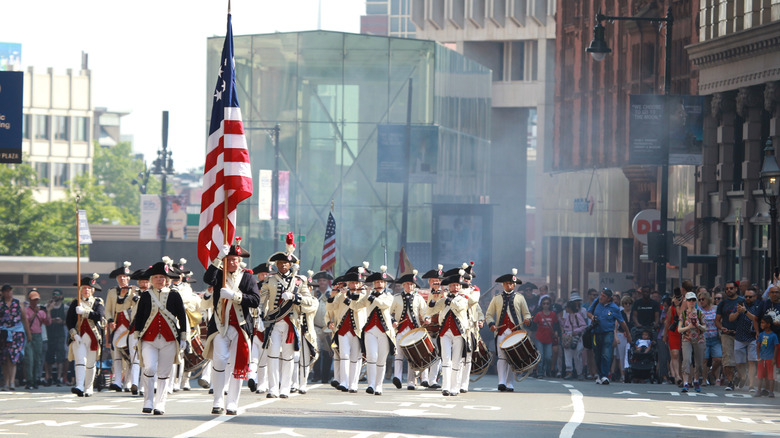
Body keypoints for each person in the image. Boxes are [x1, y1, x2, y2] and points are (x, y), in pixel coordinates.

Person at [204, 241, 261, 414]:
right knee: (220, 360)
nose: (232, 263)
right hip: (220, 326)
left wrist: (235, 296)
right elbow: (207, 279)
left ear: (239, 260)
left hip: (240, 327)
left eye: (235, 259)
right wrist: (218, 257)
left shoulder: (248, 277)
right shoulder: (218, 275)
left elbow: (255, 300)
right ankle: (218, 400)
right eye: (229, 260)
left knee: (238, 364)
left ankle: (232, 403)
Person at [131, 261, 187, 414]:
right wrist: (137, 335)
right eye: (156, 277)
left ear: (167, 279)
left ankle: (160, 404)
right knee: (149, 367)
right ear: (151, 279)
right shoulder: (146, 296)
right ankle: (148, 401)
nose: (159, 280)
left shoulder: (174, 295)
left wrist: (183, 337)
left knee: (163, 373)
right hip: (149, 339)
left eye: (162, 277)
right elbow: (140, 317)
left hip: (169, 339)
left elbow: (182, 316)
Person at [260, 248, 311, 399]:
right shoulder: (269, 280)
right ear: (276, 264)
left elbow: (309, 301)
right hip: (274, 322)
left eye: (286, 263)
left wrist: (295, 297)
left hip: (291, 323)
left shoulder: (300, 281)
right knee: (273, 354)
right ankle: (273, 388)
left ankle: (285, 388)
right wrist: (259, 317)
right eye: (281, 262)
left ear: (291, 265)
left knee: (288, 357)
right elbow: (262, 302)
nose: (283, 265)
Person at [485, 270, 531, 392]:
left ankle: (510, 383)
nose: (508, 285)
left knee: (512, 357)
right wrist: (491, 324)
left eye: (510, 283)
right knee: (501, 357)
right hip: (501, 332)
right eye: (506, 283)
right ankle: (501, 382)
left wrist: (527, 319)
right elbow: (489, 314)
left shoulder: (520, 298)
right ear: (502, 285)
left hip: (515, 332)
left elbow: (526, 313)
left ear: (514, 285)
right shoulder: (496, 298)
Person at [327, 265, 369, 393]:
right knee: (344, 355)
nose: (355, 285)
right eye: (352, 283)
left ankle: (353, 383)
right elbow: (330, 308)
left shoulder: (363, 296)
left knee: (355, 357)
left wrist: (345, 297)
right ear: (348, 284)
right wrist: (332, 295)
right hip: (343, 329)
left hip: (357, 330)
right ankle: (344, 382)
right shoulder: (341, 295)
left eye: (357, 283)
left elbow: (356, 307)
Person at [429, 275, 470, 396]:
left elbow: (459, 306)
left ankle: (455, 387)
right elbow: (431, 311)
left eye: (457, 285)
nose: (455, 287)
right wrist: (434, 298)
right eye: (452, 285)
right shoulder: (444, 299)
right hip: (445, 332)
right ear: (449, 286)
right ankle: (445, 387)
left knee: (456, 360)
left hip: (459, 332)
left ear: (460, 286)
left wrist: (447, 298)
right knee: (446, 360)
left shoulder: (463, 299)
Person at [66, 275, 105, 397]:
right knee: (80, 361)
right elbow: (69, 321)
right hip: (79, 336)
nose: (86, 290)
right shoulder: (75, 303)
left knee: (90, 363)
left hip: (93, 336)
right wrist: (74, 334)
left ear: (92, 290)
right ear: (80, 289)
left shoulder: (98, 302)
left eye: (89, 288)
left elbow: (99, 315)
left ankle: (89, 387)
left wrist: (85, 312)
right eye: (84, 288)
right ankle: (79, 385)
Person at [390, 270, 429, 390]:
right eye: (407, 284)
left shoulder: (419, 298)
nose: (409, 286)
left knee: (412, 356)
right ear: (403, 285)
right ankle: (397, 377)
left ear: (414, 285)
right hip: (400, 330)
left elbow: (424, 312)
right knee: (399, 355)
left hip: (414, 331)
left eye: (411, 284)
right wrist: (393, 321)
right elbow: (389, 313)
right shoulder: (395, 298)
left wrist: (427, 318)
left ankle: (411, 382)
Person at [361, 267, 395, 395]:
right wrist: (362, 294)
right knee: (371, 356)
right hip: (370, 329)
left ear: (385, 284)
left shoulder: (388, 296)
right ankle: (370, 384)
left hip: (384, 330)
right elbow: (358, 305)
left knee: (381, 359)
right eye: (376, 282)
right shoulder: (368, 295)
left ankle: (378, 385)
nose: (379, 284)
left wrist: (371, 297)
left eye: (381, 282)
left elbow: (383, 305)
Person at [586, 288, 632, 385]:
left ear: (609, 299)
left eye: (604, 296)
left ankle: (605, 376)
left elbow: (622, 322)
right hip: (596, 332)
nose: (601, 297)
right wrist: (592, 317)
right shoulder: (596, 302)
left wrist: (628, 334)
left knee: (606, 354)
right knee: (597, 354)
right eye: (601, 295)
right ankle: (600, 374)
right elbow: (588, 313)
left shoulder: (614, 308)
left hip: (608, 333)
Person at [105, 261, 138, 392]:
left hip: (131, 326)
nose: (122, 279)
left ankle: (129, 382)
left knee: (131, 354)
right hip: (117, 326)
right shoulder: (112, 292)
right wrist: (110, 320)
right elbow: (108, 310)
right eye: (120, 277)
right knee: (116, 354)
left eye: (124, 277)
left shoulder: (135, 290)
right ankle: (117, 381)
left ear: (128, 278)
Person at [247, 262, 272, 394]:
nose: (266, 276)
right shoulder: (254, 287)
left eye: (267, 273)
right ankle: (252, 378)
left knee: (263, 357)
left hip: (267, 325)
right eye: (263, 274)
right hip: (254, 325)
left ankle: (261, 383)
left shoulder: (273, 287)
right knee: (254, 356)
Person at [715, 280, 744, 391]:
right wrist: (722, 328)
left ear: (736, 289)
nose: (728, 290)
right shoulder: (723, 303)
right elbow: (717, 320)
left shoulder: (742, 301)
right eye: (727, 289)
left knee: (741, 359)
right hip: (727, 334)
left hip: (741, 334)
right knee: (728, 359)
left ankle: (741, 376)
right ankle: (730, 382)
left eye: (731, 288)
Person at [1, 284, 31, 391]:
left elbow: (24, 319)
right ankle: (6, 382)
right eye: (6, 291)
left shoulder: (18, 303)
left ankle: (12, 381)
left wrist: (28, 333)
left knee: (13, 358)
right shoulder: (1, 304)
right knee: (4, 358)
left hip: (16, 333)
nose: (8, 293)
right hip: (4, 333)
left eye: (10, 291)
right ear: (3, 293)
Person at [293, 270, 318, 395]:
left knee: (304, 360)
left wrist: (298, 301)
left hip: (307, 333)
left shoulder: (314, 300)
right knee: (293, 358)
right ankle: (293, 383)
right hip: (295, 330)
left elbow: (307, 308)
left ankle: (303, 384)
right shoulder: (294, 299)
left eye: (308, 288)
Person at [678, 292, 705, 393]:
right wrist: (688, 327)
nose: (691, 302)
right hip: (687, 338)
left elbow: (705, 327)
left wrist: (698, 325)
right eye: (689, 300)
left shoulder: (700, 313)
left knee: (698, 362)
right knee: (687, 360)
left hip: (699, 338)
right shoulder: (684, 314)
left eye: (693, 300)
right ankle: (686, 383)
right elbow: (679, 329)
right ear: (686, 301)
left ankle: (696, 380)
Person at [734, 287, 759, 392]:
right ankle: (743, 376)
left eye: (750, 296)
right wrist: (737, 312)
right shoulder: (739, 304)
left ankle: (751, 385)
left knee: (752, 361)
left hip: (753, 337)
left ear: (755, 297)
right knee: (739, 362)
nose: (747, 298)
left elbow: (757, 319)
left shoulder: (759, 306)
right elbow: (731, 318)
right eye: (746, 296)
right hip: (740, 336)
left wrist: (745, 312)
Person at [310, 270, 334, 384]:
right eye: (319, 280)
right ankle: (316, 374)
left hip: (328, 328)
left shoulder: (332, 294)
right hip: (315, 327)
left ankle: (326, 376)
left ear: (327, 281)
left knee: (328, 352)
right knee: (316, 351)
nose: (322, 282)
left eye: (324, 280)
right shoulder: (313, 293)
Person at [24, 289, 49, 389]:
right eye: (33, 300)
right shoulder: (26, 311)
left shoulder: (41, 312)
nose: (35, 302)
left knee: (37, 359)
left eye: (37, 300)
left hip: (38, 336)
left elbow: (47, 322)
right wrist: (35, 313)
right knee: (29, 359)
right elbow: (27, 321)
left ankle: (35, 379)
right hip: (29, 335)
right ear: (30, 300)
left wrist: (48, 311)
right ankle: (29, 380)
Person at [698, 289, 722, 385]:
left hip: (715, 337)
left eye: (703, 299)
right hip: (704, 338)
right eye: (699, 299)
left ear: (707, 299)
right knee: (704, 360)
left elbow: (719, 320)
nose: (701, 301)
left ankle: (712, 373)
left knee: (718, 359)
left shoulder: (715, 309)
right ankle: (704, 379)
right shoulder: (699, 310)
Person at [44, 289, 68, 386]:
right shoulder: (48, 306)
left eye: (57, 294)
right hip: (50, 334)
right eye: (53, 294)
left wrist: (61, 321)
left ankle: (59, 377)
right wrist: (49, 309)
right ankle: (48, 376)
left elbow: (68, 321)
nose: (55, 296)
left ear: (61, 296)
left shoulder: (65, 308)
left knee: (60, 357)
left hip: (60, 334)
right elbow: (45, 319)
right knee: (48, 356)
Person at [562, 293, 587, 380]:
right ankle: (569, 371)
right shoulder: (567, 316)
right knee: (567, 354)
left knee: (577, 355)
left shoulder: (578, 315)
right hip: (568, 336)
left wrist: (576, 331)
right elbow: (565, 326)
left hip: (576, 337)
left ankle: (579, 372)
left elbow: (584, 326)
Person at [532, 296, 559, 378]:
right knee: (541, 356)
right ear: (541, 305)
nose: (546, 305)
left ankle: (548, 369)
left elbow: (556, 324)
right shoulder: (539, 314)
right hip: (539, 338)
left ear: (550, 304)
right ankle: (540, 372)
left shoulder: (553, 314)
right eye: (544, 303)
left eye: (547, 303)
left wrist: (557, 332)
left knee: (549, 357)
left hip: (549, 338)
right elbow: (533, 325)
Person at [663, 290, 684, 386]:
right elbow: (667, 323)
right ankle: (677, 376)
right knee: (675, 354)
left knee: (682, 356)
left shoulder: (686, 307)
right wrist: (664, 336)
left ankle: (681, 375)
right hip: (673, 332)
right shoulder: (671, 308)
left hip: (683, 331)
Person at [755, 316, 778, 398]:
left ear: (768, 324)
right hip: (762, 358)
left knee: (771, 376)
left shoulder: (774, 336)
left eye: (763, 323)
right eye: (761, 322)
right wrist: (758, 357)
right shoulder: (761, 335)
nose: (761, 324)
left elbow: (776, 347)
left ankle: (771, 392)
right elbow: (758, 346)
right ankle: (758, 390)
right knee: (760, 375)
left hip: (770, 358)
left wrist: (774, 358)